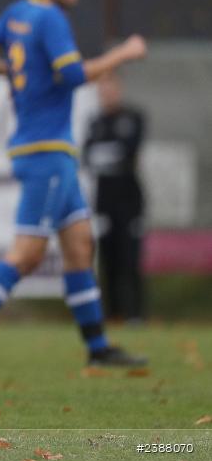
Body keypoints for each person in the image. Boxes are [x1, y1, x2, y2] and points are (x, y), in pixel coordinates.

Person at [0, 0, 148, 369]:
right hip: (45, 152)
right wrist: (123, 54)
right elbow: (72, 76)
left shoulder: (16, 13)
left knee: (79, 245)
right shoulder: (51, 17)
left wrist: (17, 72)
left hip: (51, 153)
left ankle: (97, 347)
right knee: (28, 253)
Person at [83, 73, 146, 323]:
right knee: (107, 259)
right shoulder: (96, 121)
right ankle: (113, 314)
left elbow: (130, 152)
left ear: (119, 91)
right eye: (103, 91)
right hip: (104, 202)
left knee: (130, 258)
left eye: (111, 90)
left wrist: (106, 155)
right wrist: (112, 155)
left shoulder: (133, 117)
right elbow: (87, 156)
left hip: (130, 201)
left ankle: (136, 314)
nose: (107, 95)